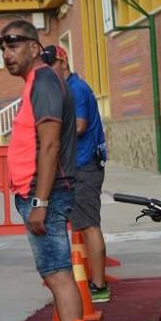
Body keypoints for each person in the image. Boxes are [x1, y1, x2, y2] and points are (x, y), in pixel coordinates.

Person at [0, 21, 81, 321]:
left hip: (45, 193)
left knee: (59, 275)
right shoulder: (37, 82)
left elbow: (48, 146)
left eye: (14, 44)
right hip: (36, 192)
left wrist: (40, 202)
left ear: (34, 47)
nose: (7, 53)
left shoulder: (45, 82)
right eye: (2, 47)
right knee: (54, 275)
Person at [47, 45, 111, 303]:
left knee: (89, 225)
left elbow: (81, 125)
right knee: (84, 225)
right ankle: (92, 280)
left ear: (63, 61)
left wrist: (52, 137)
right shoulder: (68, 88)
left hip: (85, 166)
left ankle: (99, 285)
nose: (48, 72)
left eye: (51, 66)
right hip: (78, 165)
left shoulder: (76, 89)